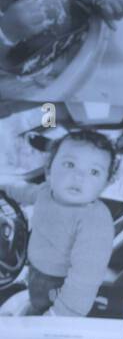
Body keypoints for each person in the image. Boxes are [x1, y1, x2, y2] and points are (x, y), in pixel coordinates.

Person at [0, 130, 116, 318]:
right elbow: (25, 192)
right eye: (69, 164)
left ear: (106, 183)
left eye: (94, 172)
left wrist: (59, 317)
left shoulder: (94, 220)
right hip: (35, 273)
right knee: (34, 304)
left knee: (40, 321)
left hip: (60, 287)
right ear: (48, 170)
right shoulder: (46, 192)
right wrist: (4, 187)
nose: (79, 177)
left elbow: (84, 280)